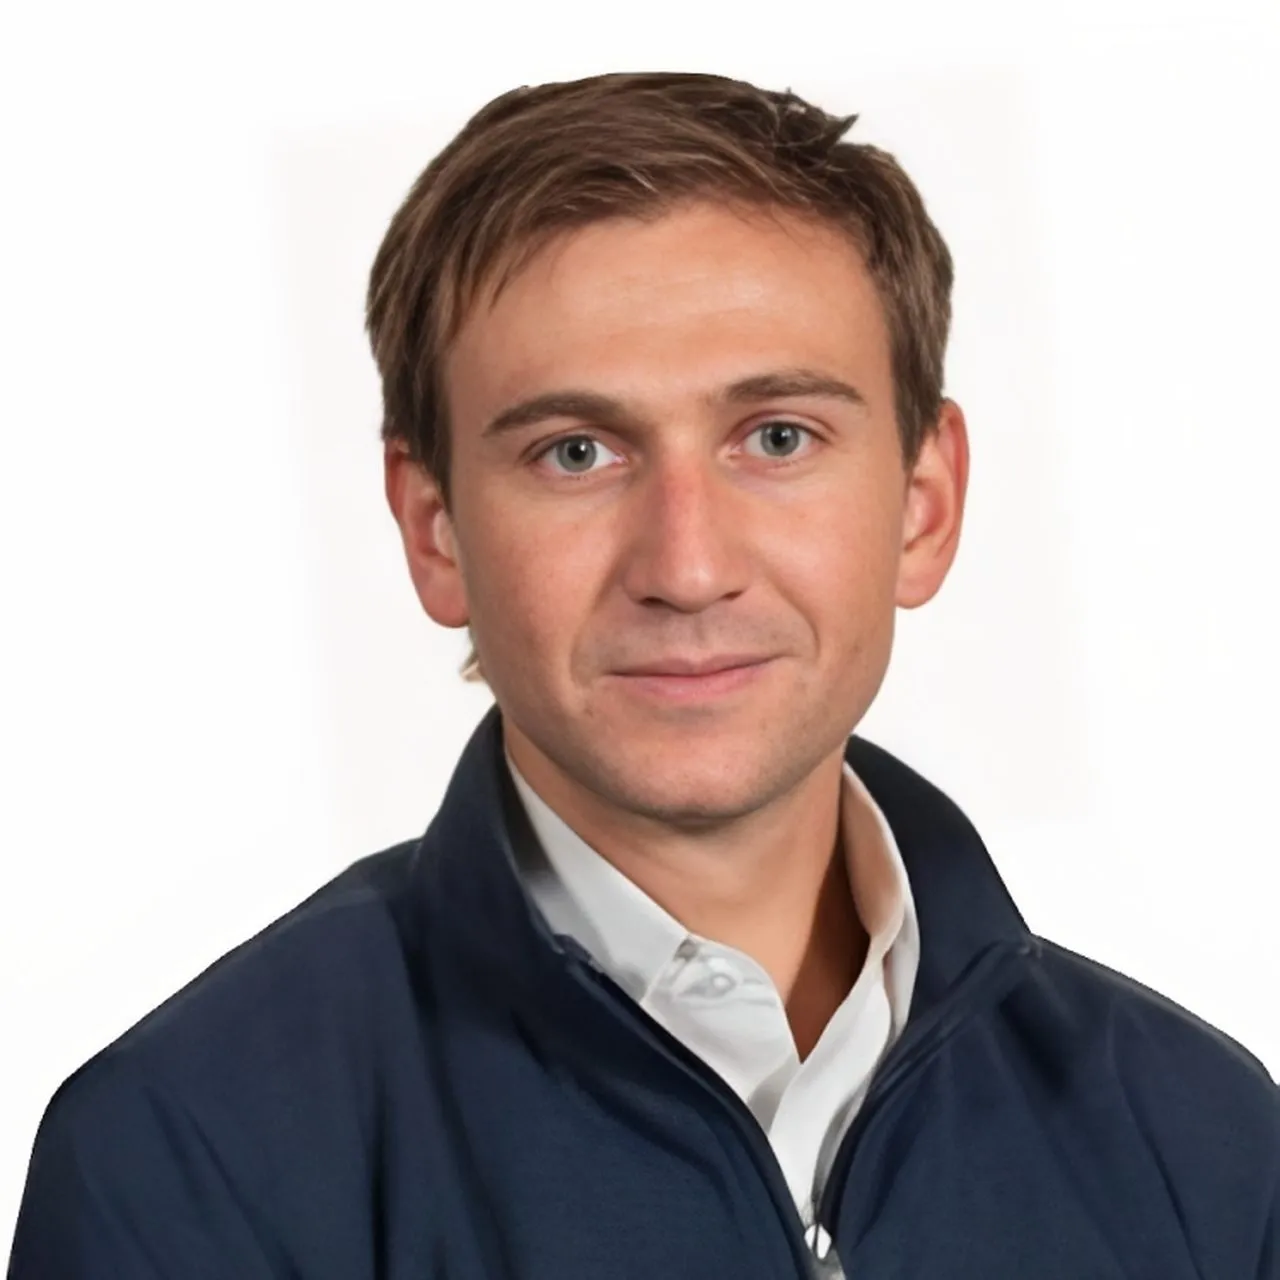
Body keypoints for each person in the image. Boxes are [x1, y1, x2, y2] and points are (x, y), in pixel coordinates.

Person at [8, 70, 1277, 1280]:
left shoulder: (1203, 1143)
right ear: (433, 528)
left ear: (922, 502)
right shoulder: (186, 1159)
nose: (686, 566)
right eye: (575, 452)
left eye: (776, 437)